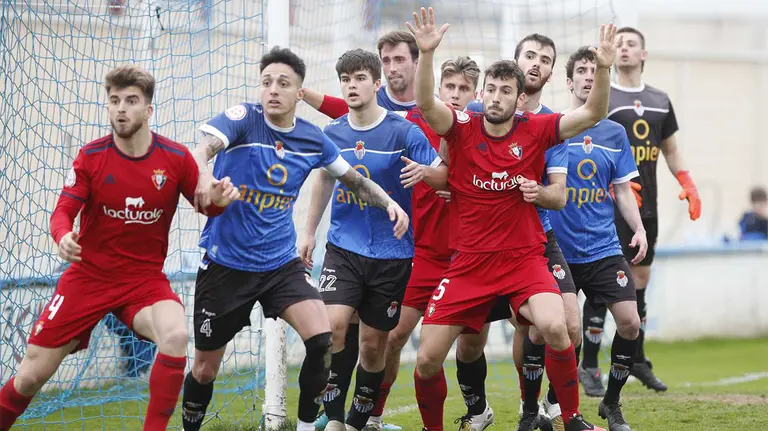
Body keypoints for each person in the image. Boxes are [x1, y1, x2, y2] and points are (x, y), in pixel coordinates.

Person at [407, 7, 619, 431]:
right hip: (468, 264)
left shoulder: (537, 129)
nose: (498, 97)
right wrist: (427, 55)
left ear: (518, 97)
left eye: (507, 90)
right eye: (492, 89)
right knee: (428, 358)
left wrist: (604, 69)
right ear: (482, 93)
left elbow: (592, 114)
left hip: (523, 260)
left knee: (557, 326)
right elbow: (427, 103)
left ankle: (571, 417)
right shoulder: (462, 128)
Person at [179, 46, 409, 431]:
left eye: (283, 83)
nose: (273, 89)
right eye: (267, 81)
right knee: (204, 368)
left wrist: (390, 203)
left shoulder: (312, 138)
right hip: (226, 265)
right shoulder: (243, 120)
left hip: (279, 265)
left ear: (299, 93)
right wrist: (206, 180)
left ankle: (304, 427)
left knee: (322, 339)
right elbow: (201, 150)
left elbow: (353, 178)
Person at [0, 65, 240, 431]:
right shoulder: (92, 156)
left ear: (148, 110)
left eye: (131, 101)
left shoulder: (175, 158)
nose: (121, 109)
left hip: (143, 282)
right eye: (114, 101)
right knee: (31, 374)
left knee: (175, 334)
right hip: (88, 279)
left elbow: (204, 204)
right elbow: (63, 211)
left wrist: (219, 200)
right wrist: (63, 235)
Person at [303, 55, 482, 431]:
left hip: (393, 254)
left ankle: (359, 420)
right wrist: (308, 232)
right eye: (345, 79)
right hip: (343, 248)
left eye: (359, 78)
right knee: (332, 327)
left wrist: (434, 176)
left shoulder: (403, 132)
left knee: (373, 345)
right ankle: (334, 419)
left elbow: (442, 175)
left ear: (375, 85)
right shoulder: (332, 133)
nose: (351, 85)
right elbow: (322, 179)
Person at [450, 33, 580, 431]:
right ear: (515, 60)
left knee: (565, 324)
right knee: (471, 340)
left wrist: (540, 193)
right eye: (529, 55)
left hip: (536, 241)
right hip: (481, 246)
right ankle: (481, 411)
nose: (536, 62)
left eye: (545, 58)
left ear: (551, 71)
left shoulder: (551, 126)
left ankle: (550, 408)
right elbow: (445, 143)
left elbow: (559, 196)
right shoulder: (477, 113)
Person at [579, 27, 701, 395]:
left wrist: (688, 182)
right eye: (620, 45)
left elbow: (670, 148)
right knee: (604, 285)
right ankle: (589, 365)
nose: (625, 49)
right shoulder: (603, 95)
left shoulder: (659, 99)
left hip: (648, 205)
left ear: (644, 54)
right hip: (609, 205)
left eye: (631, 44)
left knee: (641, 283)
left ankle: (636, 359)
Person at [549, 46, 649, 431]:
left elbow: (623, 190)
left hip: (604, 249)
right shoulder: (553, 127)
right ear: (570, 81)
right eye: (583, 71)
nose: (590, 76)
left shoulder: (615, 133)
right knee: (565, 333)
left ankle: (611, 404)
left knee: (629, 324)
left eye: (595, 70)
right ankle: (552, 406)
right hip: (560, 250)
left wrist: (638, 228)